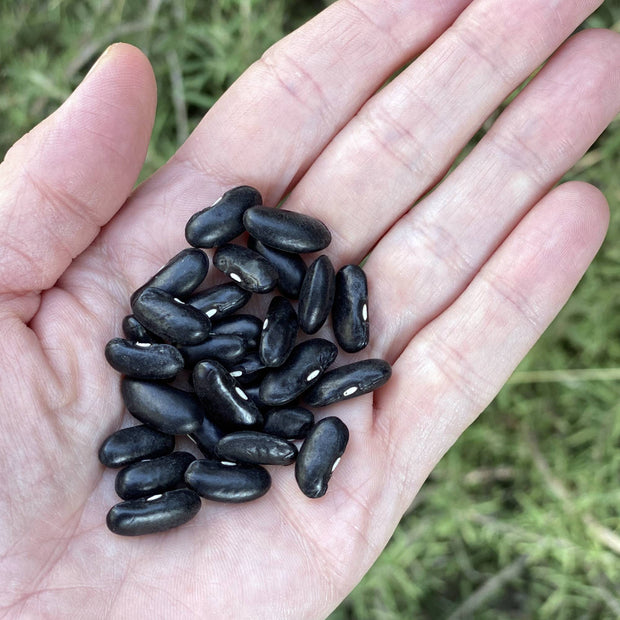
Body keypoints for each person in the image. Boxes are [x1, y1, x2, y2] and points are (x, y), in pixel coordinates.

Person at [0, 0, 618, 617]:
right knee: (248, 361)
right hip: (231, 370)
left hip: (243, 365)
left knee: (263, 354)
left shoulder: (247, 347)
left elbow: (261, 362)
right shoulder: (200, 380)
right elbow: (226, 368)